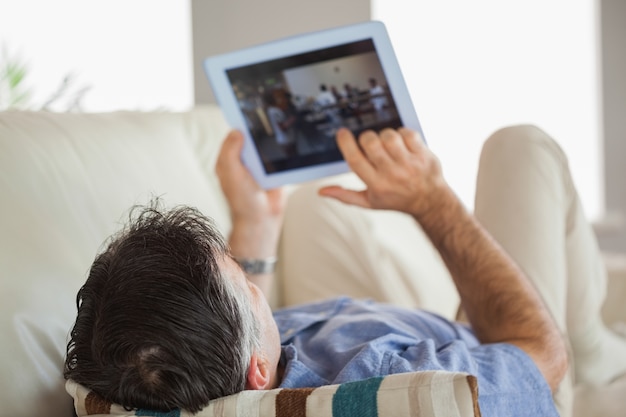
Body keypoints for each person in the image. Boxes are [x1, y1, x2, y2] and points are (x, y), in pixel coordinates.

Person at [64, 126, 626, 416]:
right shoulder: (388, 386)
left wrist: (254, 221)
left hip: (358, 325)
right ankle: (599, 354)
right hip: (498, 336)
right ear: (258, 373)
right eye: (244, 277)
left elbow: (230, 336)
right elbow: (543, 359)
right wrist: (433, 202)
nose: (249, 276)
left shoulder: (155, 367)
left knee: (314, 202)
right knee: (520, 147)